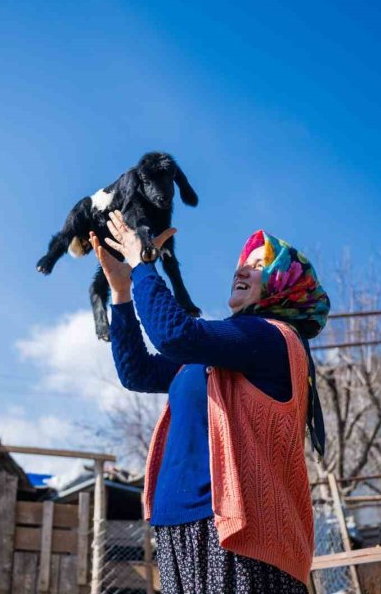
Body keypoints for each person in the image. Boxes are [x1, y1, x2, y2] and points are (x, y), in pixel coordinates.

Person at [90, 211, 330, 593]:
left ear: (285, 283)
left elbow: (174, 335)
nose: (242, 269)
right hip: (180, 526)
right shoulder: (222, 352)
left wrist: (143, 264)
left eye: (258, 265)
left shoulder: (272, 337)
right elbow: (137, 373)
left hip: (240, 531)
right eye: (242, 263)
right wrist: (121, 291)